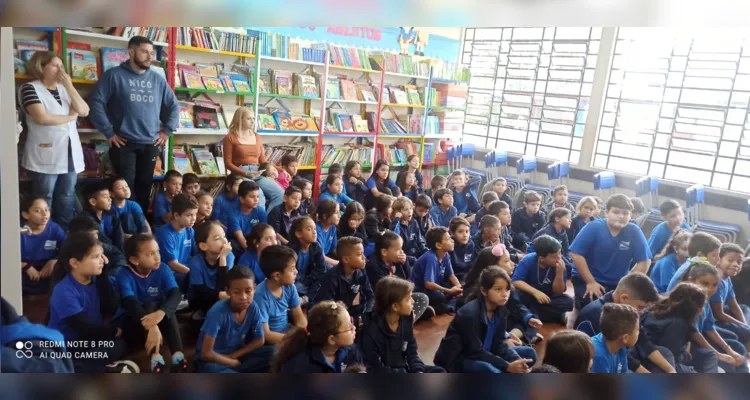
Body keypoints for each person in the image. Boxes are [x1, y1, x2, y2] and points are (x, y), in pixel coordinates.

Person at [88, 36, 179, 214]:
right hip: (124, 143)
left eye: (151, 53)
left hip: (151, 143)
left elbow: (174, 105)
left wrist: (167, 131)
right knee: (124, 191)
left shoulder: (157, 79)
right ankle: (124, 230)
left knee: (145, 189)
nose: (149, 56)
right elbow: (95, 102)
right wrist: (108, 132)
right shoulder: (113, 76)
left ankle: (141, 227)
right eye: (144, 51)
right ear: (131, 51)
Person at [20, 50, 89, 229]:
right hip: (45, 153)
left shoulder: (65, 89)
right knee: (45, 197)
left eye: (62, 65)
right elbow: (41, 118)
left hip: (69, 152)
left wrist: (71, 86)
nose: (61, 70)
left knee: (66, 195)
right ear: (40, 67)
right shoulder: (29, 88)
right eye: (55, 65)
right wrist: (70, 117)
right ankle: (42, 234)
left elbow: (83, 111)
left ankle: (63, 236)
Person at [47, 232, 130, 372]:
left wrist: (103, 274)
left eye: (102, 255)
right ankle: (94, 368)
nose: (102, 260)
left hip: (90, 340)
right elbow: (83, 328)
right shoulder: (64, 290)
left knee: (120, 342)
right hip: (69, 345)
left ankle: (89, 367)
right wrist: (114, 331)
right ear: (74, 263)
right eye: (96, 257)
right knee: (114, 343)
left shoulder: (95, 279)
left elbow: (111, 307)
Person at [433, 267, 539, 373]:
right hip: (463, 358)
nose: (505, 294)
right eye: (498, 289)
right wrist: (507, 366)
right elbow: (474, 352)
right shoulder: (469, 314)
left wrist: (518, 361)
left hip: (488, 352)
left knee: (530, 353)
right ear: (483, 291)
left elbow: (499, 344)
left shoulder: (500, 309)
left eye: (507, 289)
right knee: (491, 371)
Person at [117, 234, 186, 373]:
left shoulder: (163, 268)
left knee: (164, 308)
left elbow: (175, 294)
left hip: (157, 317)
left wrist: (161, 313)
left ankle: (178, 355)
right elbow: (130, 303)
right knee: (150, 305)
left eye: (158, 251)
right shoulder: (123, 274)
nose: (157, 257)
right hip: (133, 322)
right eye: (150, 254)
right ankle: (156, 357)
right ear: (134, 260)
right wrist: (152, 326)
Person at [569, 194, 651, 310]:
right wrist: (590, 282)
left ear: (630, 215)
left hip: (617, 283)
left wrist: (628, 283)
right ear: (606, 213)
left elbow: (645, 261)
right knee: (592, 307)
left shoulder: (634, 231)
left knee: (630, 308)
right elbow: (576, 255)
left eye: (625, 213)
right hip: (588, 278)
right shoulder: (593, 227)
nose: (621, 216)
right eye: (616, 212)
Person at [195, 266, 274, 373]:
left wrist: (233, 356)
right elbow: (206, 353)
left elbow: (260, 340)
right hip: (213, 360)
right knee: (211, 368)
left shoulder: (253, 307)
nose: (244, 297)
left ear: (254, 289)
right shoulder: (217, 312)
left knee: (274, 351)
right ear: (228, 291)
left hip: (235, 354)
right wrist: (230, 362)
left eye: (248, 291)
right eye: (237, 292)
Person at [359, 276, 445, 373]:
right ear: (395, 306)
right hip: (388, 377)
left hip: (405, 369)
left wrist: (418, 371)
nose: (413, 301)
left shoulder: (406, 319)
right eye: (408, 299)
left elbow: (412, 353)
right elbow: (374, 368)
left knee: (439, 371)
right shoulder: (371, 330)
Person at [675, 261, 747, 373]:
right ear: (691, 280)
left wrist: (728, 349)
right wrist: (719, 355)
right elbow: (695, 334)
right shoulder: (686, 302)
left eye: (714, 285)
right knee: (727, 366)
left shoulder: (705, 300)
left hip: (700, 338)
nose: (710, 289)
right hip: (686, 345)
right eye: (704, 284)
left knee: (737, 348)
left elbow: (709, 328)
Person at [633, 283, 712, 373]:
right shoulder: (677, 324)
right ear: (695, 307)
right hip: (656, 363)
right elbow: (674, 357)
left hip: (646, 355)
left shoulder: (656, 308)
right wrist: (687, 355)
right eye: (702, 305)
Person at [221, 107, 284, 210]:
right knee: (259, 197)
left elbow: (263, 161)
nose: (253, 121)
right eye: (249, 119)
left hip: (258, 172)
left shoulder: (257, 137)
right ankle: (258, 225)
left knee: (280, 194)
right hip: (241, 174)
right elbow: (227, 163)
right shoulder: (230, 138)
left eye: (254, 119)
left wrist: (280, 170)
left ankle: (266, 221)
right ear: (240, 119)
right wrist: (245, 174)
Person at [271, 301, 361, 373]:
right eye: (349, 327)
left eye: (351, 322)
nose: (354, 327)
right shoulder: (300, 364)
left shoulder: (351, 350)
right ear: (332, 339)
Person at [365, 230, 432, 321]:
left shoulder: (396, 261)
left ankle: (406, 317)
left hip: (399, 296)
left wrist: (404, 263)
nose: (402, 252)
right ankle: (404, 321)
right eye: (398, 249)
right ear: (384, 252)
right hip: (386, 302)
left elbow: (408, 277)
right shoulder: (373, 266)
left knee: (423, 298)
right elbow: (385, 290)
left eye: (401, 248)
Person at [512, 235, 574, 325]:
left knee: (568, 301)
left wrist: (559, 274)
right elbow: (516, 281)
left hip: (548, 298)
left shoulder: (560, 264)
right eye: (554, 256)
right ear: (541, 259)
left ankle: (528, 314)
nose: (559, 258)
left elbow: (558, 292)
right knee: (514, 297)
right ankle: (551, 315)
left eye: (560, 253)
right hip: (528, 295)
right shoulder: (528, 260)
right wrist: (535, 292)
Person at [313, 237, 374, 327]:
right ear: (346, 259)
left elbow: (370, 296)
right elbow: (328, 309)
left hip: (353, 311)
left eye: (363, 253)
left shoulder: (360, 271)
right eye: (359, 254)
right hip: (336, 316)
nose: (364, 257)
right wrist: (351, 321)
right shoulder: (331, 278)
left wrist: (365, 316)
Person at [575, 272, 659, 337]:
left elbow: (642, 341)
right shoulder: (594, 315)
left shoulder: (630, 310)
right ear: (624, 298)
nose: (642, 312)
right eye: (640, 307)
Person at [254, 245, 308, 345]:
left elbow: (299, 316)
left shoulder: (289, 287)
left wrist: (302, 333)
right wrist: (294, 340)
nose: (296, 272)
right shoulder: (260, 296)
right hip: (270, 342)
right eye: (292, 269)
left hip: (287, 334)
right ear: (277, 276)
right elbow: (266, 335)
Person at [411, 227, 463, 315]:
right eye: (448, 239)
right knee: (439, 296)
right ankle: (437, 307)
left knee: (460, 285)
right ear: (439, 245)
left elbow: (451, 275)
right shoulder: (431, 258)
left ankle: (445, 305)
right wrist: (449, 291)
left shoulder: (446, 255)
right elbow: (428, 284)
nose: (452, 240)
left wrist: (458, 287)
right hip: (421, 289)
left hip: (435, 285)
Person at [187, 221, 235, 315]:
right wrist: (220, 295)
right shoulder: (195, 262)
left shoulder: (228, 256)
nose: (224, 241)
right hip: (201, 300)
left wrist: (223, 258)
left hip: (222, 296)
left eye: (224, 236)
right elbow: (199, 291)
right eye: (217, 238)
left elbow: (223, 286)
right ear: (203, 246)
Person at [20, 197, 66, 294]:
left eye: (46, 209)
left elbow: (68, 248)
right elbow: (5, 258)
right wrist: (24, 266)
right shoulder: (18, 230)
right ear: (26, 215)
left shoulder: (54, 228)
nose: (45, 214)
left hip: (47, 269)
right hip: (22, 269)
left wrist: (54, 260)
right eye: (38, 211)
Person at [708, 244, 750, 346]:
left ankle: (746, 332)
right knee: (746, 331)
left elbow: (734, 305)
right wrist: (743, 327)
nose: (736, 264)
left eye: (739, 262)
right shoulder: (717, 280)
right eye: (730, 260)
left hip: (720, 313)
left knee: (744, 308)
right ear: (719, 259)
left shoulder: (727, 278)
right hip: (712, 320)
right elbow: (718, 314)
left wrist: (744, 324)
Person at [155, 193, 197, 292]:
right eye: (189, 215)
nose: (194, 218)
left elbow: (195, 254)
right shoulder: (165, 234)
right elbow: (172, 264)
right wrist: (194, 273)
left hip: (186, 267)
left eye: (195, 214)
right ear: (177, 215)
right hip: (173, 272)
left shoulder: (189, 229)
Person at [591, 303, 639, 373]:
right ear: (625, 338)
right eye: (637, 330)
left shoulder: (620, 345)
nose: (639, 333)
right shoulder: (599, 357)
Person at [288, 217, 328, 299]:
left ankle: (306, 298)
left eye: (315, 229)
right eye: (309, 229)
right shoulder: (290, 249)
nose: (314, 232)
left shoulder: (316, 247)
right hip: (293, 281)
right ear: (298, 234)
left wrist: (307, 281)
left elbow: (321, 269)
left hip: (308, 280)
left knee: (324, 278)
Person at [80, 181, 125, 251]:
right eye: (105, 197)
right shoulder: (85, 218)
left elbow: (119, 236)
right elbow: (101, 241)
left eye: (109, 196)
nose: (110, 199)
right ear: (93, 202)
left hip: (115, 251)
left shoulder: (112, 213)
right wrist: (115, 252)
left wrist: (120, 252)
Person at [528, 208, 574, 277]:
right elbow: (554, 254)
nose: (570, 220)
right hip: (540, 261)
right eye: (567, 217)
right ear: (557, 219)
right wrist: (570, 267)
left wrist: (569, 263)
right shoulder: (547, 233)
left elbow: (566, 250)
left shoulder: (563, 232)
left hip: (555, 258)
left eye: (570, 218)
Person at [229, 181, 268, 257]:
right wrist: (254, 253)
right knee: (233, 245)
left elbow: (265, 231)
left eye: (257, 196)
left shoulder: (260, 211)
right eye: (252, 197)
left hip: (255, 240)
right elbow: (240, 238)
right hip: (239, 241)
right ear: (242, 199)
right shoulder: (233, 213)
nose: (256, 200)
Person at [390, 197, 427, 262]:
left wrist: (426, 252)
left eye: (410, 208)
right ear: (398, 212)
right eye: (405, 209)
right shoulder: (396, 224)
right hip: (404, 257)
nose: (409, 211)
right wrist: (396, 219)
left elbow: (419, 240)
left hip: (415, 255)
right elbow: (394, 235)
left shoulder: (413, 222)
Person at [313, 198, 341, 266]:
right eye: (336, 212)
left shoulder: (332, 227)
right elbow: (320, 256)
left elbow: (334, 249)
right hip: (317, 260)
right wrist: (339, 263)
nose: (339, 215)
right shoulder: (317, 230)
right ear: (325, 216)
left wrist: (346, 258)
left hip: (326, 256)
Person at [448, 217, 475, 282]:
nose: (465, 235)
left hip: (466, 274)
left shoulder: (470, 244)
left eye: (467, 231)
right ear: (452, 233)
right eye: (460, 232)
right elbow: (451, 268)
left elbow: (469, 263)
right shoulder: (449, 245)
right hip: (452, 276)